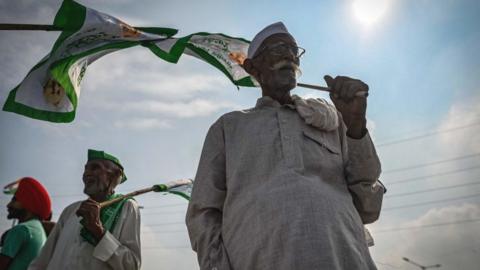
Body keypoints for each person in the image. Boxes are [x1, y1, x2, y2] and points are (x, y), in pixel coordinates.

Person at [186, 22, 386, 270]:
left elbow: (369, 207)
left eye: (294, 50)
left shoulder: (331, 120)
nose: (289, 56)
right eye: (279, 48)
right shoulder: (228, 128)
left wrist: (355, 125)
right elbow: (203, 214)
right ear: (251, 67)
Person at [28, 149, 141, 270]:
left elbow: (131, 266)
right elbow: (42, 260)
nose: (86, 173)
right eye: (86, 168)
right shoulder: (70, 210)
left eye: (95, 168)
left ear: (115, 175)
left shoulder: (127, 207)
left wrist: (98, 231)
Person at [0, 177, 52, 270]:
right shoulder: (38, 229)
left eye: (14, 200)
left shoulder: (22, 229)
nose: (8, 205)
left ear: (28, 203)